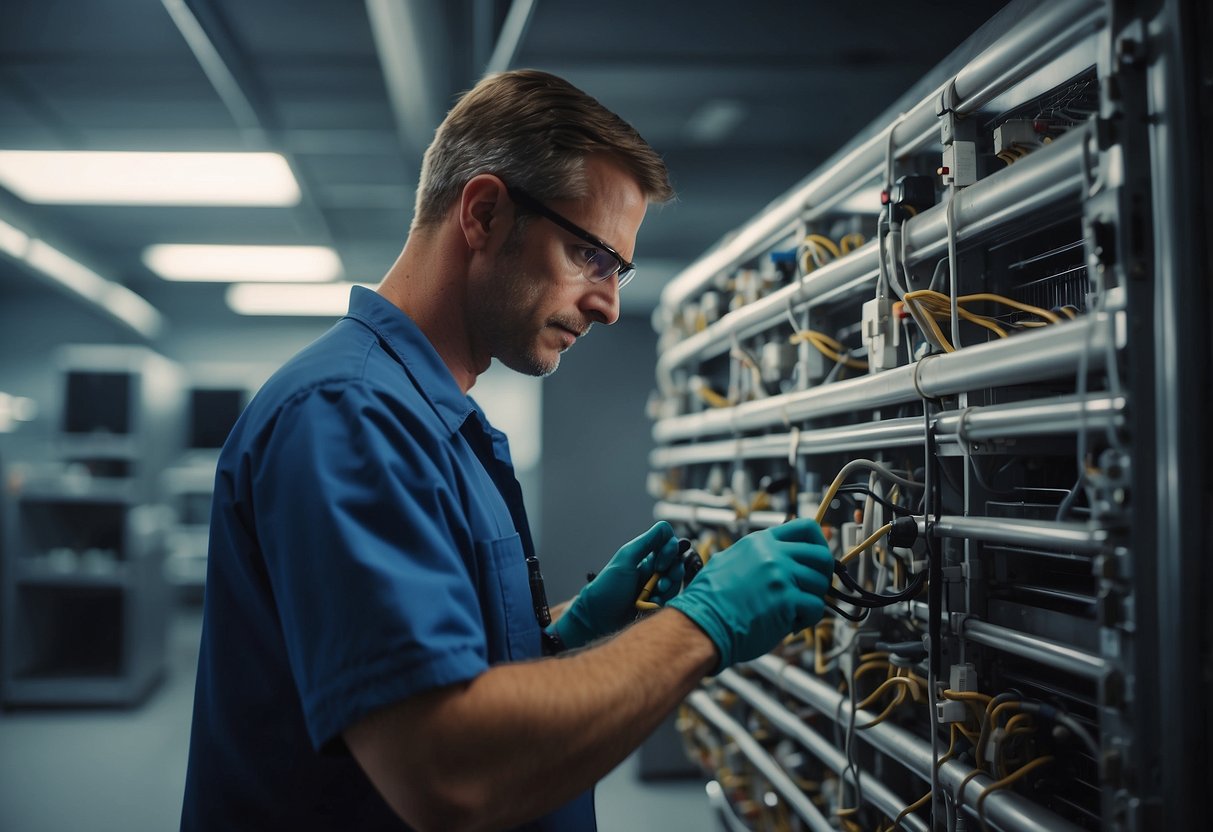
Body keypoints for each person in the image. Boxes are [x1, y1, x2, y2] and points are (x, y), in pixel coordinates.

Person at [181, 69, 834, 832]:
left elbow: (432, 663)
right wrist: (703, 623)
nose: (611, 306)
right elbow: (446, 769)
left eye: (618, 271)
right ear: (485, 213)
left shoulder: (432, 417)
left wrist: (563, 633)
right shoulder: (348, 415)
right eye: (591, 257)